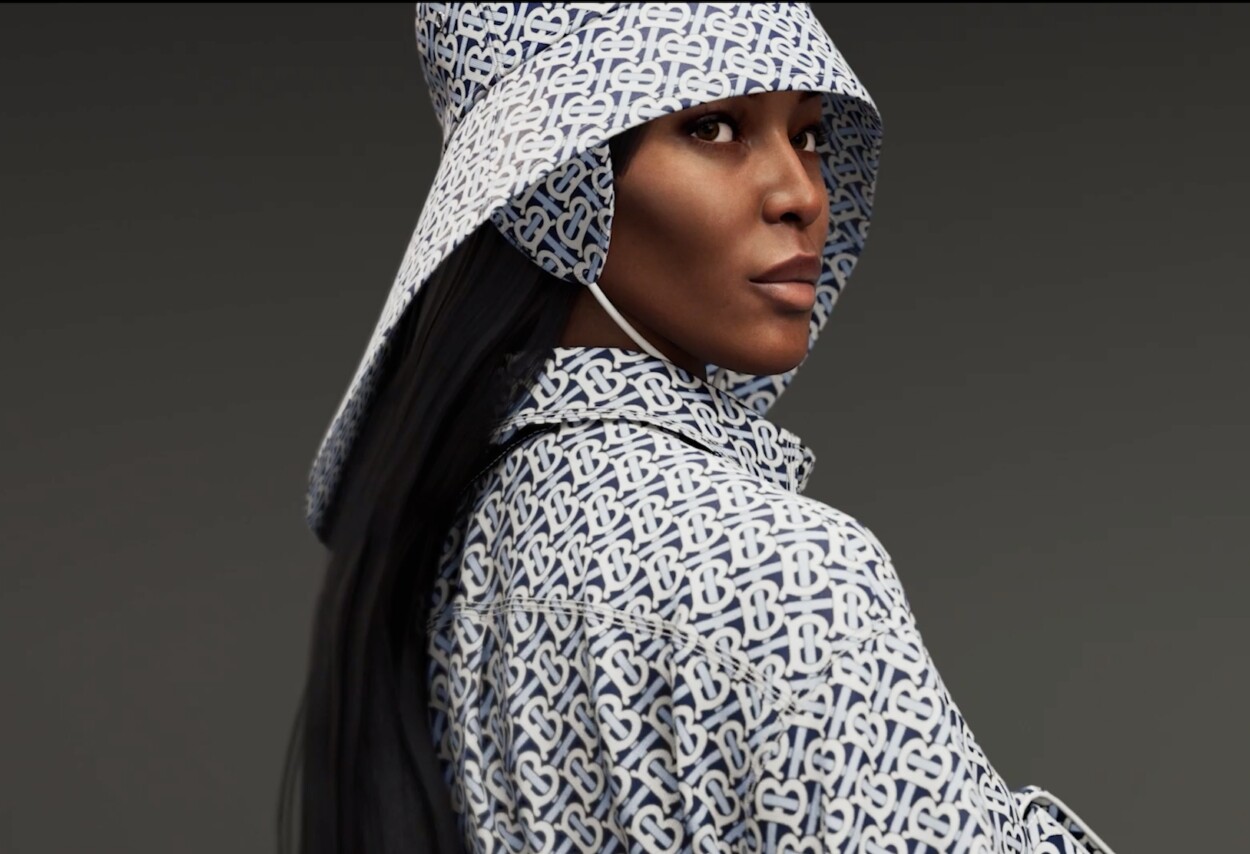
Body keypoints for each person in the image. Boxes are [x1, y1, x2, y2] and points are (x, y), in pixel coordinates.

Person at [280, 4, 1119, 853]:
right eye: (714, 127)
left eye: (809, 135)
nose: (803, 194)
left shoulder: (431, 563)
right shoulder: (793, 579)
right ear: (562, 187)